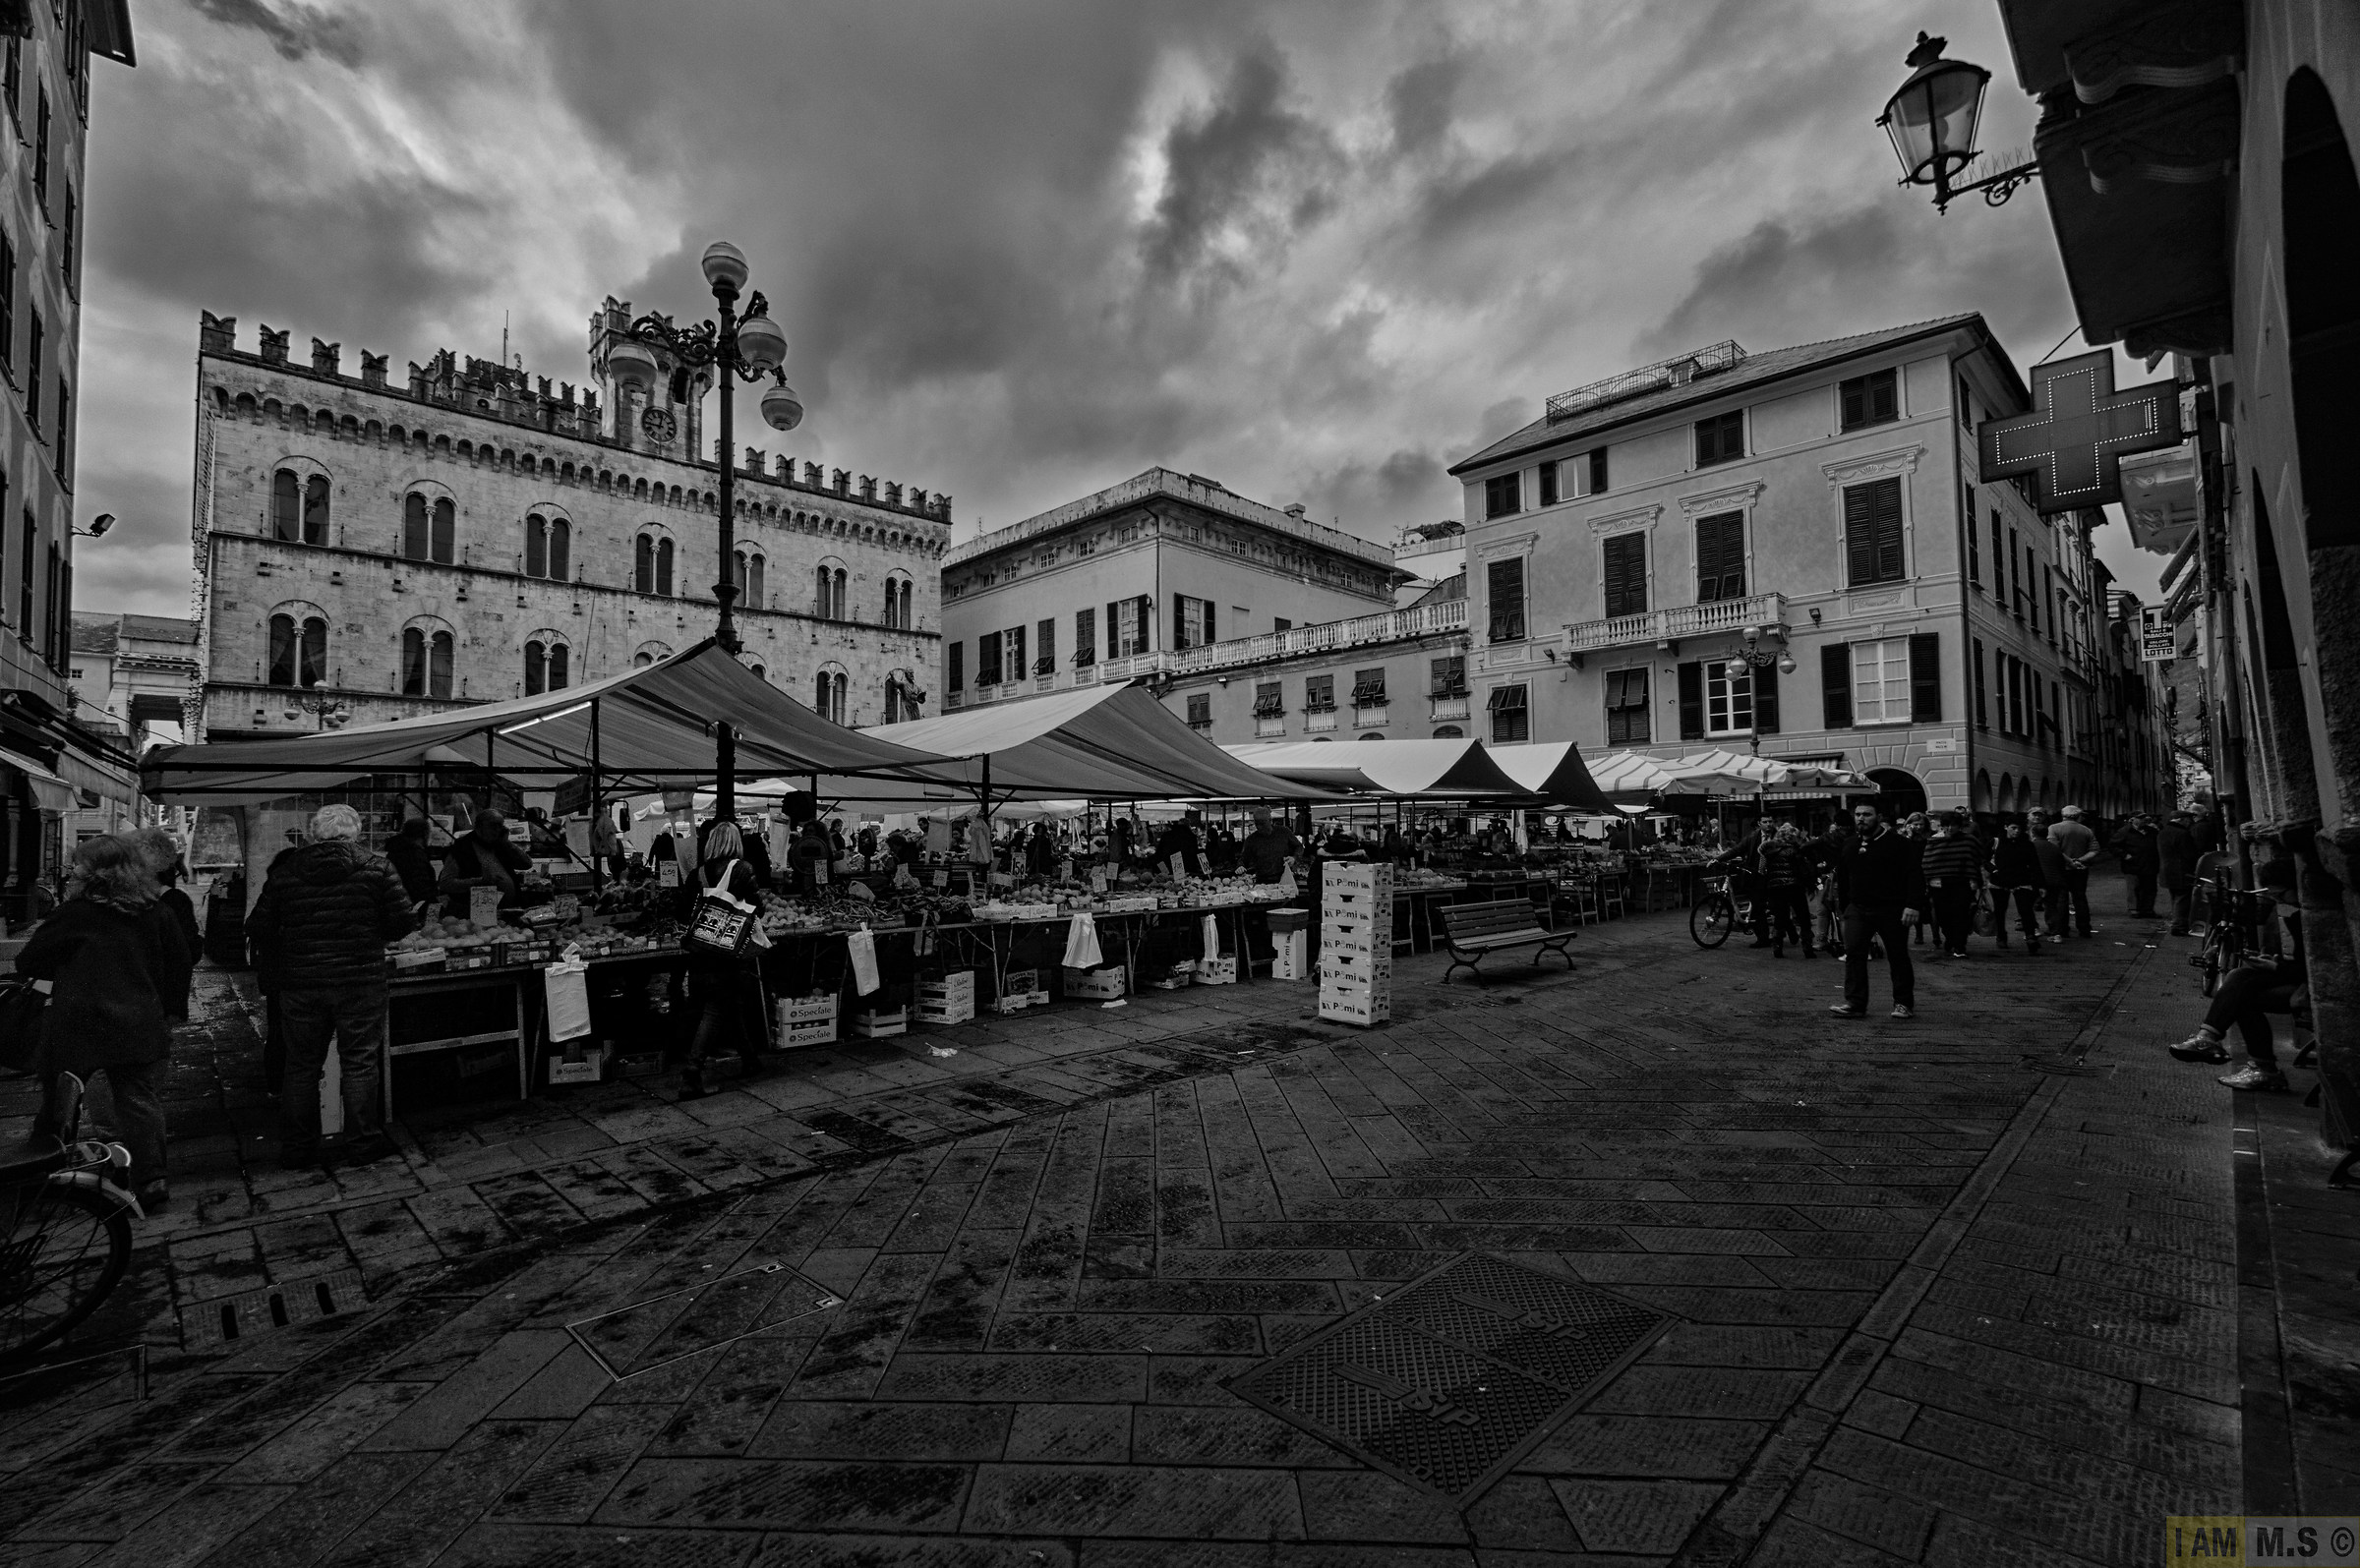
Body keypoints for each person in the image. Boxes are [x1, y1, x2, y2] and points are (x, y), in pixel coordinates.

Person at [19, 835, 191, 1209]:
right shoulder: (155, 911)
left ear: (94, 871)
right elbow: (180, 963)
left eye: (80, 864)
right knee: (139, 1101)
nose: (74, 870)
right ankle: (152, 1179)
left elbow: (29, 962)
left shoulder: (75, 914)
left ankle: (40, 1169)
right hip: (139, 1021)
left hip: (79, 1021)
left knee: (60, 1099)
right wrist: (170, 1010)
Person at [244, 804, 415, 1170]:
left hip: (301, 984)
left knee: (302, 1065)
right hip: (360, 981)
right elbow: (402, 923)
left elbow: (258, 926)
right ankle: (363, 1144)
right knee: (360, 1062)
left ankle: (298, 1148)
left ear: (315, 834)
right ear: (355, 833)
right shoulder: (377, 867)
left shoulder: (287, 870)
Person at [2168, 878, 2305, 1091]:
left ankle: (2216, 1043)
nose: (2277, 899)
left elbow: (2308, 970)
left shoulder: (2306, 920)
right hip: (2298, 980)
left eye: (2280, 893)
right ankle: (2214, 1042)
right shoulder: (2299, 916)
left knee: (2242, 994)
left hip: (2304, 988)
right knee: (2240, 977)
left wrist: (2274, 967)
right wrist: (2273, 962)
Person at [678, 820, 770, 1101]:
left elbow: (683, 912)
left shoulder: (698, 874)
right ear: (735, 842)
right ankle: (691, 1074)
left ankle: (750, 1058)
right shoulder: (742, 870)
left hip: (701, 950)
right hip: (727, 951)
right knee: (716, 1008)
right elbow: (758, 908)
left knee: (731, 1004)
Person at [1829, 800, 1924, 1019]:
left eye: (1867, 815)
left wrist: (1912, 905)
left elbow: (1914, 874)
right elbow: (1843, 877)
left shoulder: (1898, 843)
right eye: (1858, 814)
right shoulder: (1850, 843)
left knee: (1898, 955)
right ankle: (1855, 1003)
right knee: (1853, 953)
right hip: (1858, 909)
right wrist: (1845, 907)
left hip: (1892, 908)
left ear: (1878, 817)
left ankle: (1903, 1003)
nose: (1861, 819)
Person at [438, 809, 532, 917]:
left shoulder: (500, 846)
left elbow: (526, 864)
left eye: (500, 826)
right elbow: (446, 884)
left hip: (505, 913)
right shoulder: (461, 849)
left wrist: (507, 843)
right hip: (474, 915)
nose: (497, 830)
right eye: (493, 826)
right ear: (479, 826)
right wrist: (479, 881)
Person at [1919, 811, 1985, 959]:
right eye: (1946, 825)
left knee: (1960, 914)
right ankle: (1950, 938)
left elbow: (1976, 859)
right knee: (1943, 916)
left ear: (1960, 826)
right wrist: (1927, 880)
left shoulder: (1969, 840)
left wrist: (1976, 880)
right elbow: (1928, 862)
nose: (1949, 828)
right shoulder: (1934, 841)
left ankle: (1960, 945)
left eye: (1953, 825)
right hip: (1939, 884)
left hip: (1962, 883)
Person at [1758, 824, 1817, 958]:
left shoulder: (1768, 851)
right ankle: (1807, 946)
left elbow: (1762, 870)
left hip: (1775, 887)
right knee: (1803, 917)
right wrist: (1811, 886)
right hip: (1794, 886)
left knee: (1780, 917)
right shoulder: (1794, 850)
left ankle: (1777, 945)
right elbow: (1803, 870)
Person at [1989, 820, 2045, 957]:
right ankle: (2001, 935)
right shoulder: (1996, 842)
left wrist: (2041, 884)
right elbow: (1983, 859)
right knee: (2000, 910)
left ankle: (2030, 936)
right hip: (1999, 881)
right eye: (2013, 828)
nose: (2017, 831)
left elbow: (2035, 865)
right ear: (2005, 827)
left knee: (2025, 909)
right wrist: (1993, 870)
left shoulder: (2027, 844)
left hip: (2022, 880)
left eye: (2019, 828)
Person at [2049, 805, 2100, 936]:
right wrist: (2079, 861)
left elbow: (2054, 849)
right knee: (2080, 898)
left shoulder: (2054, 828)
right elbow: (2095, 850)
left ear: (2063, 815)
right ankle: (2084, 928)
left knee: (2061, 899)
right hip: (2080, 869)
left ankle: (2062, 929)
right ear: (2078, 816)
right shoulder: (2086, 830)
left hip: (2061, 869)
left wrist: (2069, 862)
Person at [2155, 810, 2200, 935]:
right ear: (2182, 820)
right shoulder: (2182, 833)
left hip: (2167, 870)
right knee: (2183, 899)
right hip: (2182, 871)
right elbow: (2189, 854)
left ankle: (2176, 922)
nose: (2190, 822)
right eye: (2188, 820)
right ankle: (2179, 926)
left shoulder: (2162, 832)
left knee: (2175, 897)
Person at [2111, 813, 2160, 918]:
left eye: (2144, 818)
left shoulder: (2152, 831)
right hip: (2132, 865)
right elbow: (2113, 846)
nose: (2144, 820)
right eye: (2141, 818)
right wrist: (2125, 855)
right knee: (2134, 888)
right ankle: (2134, 909)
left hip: (2149, 864)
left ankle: (2147, 909)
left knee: (2150, 888)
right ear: (2133, 819)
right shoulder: (2124, 832)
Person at [1238, 806, 1299, 885]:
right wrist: (1240, 866)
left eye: (1263, 825)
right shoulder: (1252, 839)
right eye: (1257, 825)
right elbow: (1243, 858)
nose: (1260, 828)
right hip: (1262, 882)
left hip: (1284, 879)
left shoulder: (1284, 832)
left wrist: (1294, 858)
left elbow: (1299, 847)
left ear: (1270, 821)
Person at [386, 816, 439, 905]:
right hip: (415, 907)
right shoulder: (415, 855)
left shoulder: (395, 851)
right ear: (425, 834)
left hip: (397, 904)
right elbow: (422, 887)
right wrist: (434, 907)